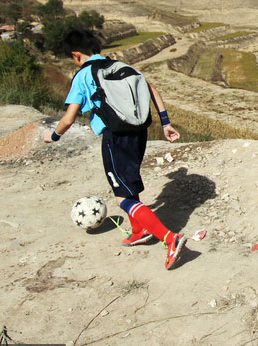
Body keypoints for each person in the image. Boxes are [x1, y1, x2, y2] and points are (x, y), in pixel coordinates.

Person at [43, 29, 187, 270]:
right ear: (98, 49)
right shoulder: (122, 66)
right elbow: (153, 90)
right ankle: (139, 231)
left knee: (122, 197)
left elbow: (68, 118)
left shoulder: (83, 75)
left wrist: (53, 135)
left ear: (76, 55)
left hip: (115, 137)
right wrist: (166, 123)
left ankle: (169, 238)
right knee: (128, 184)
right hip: (139, 133)